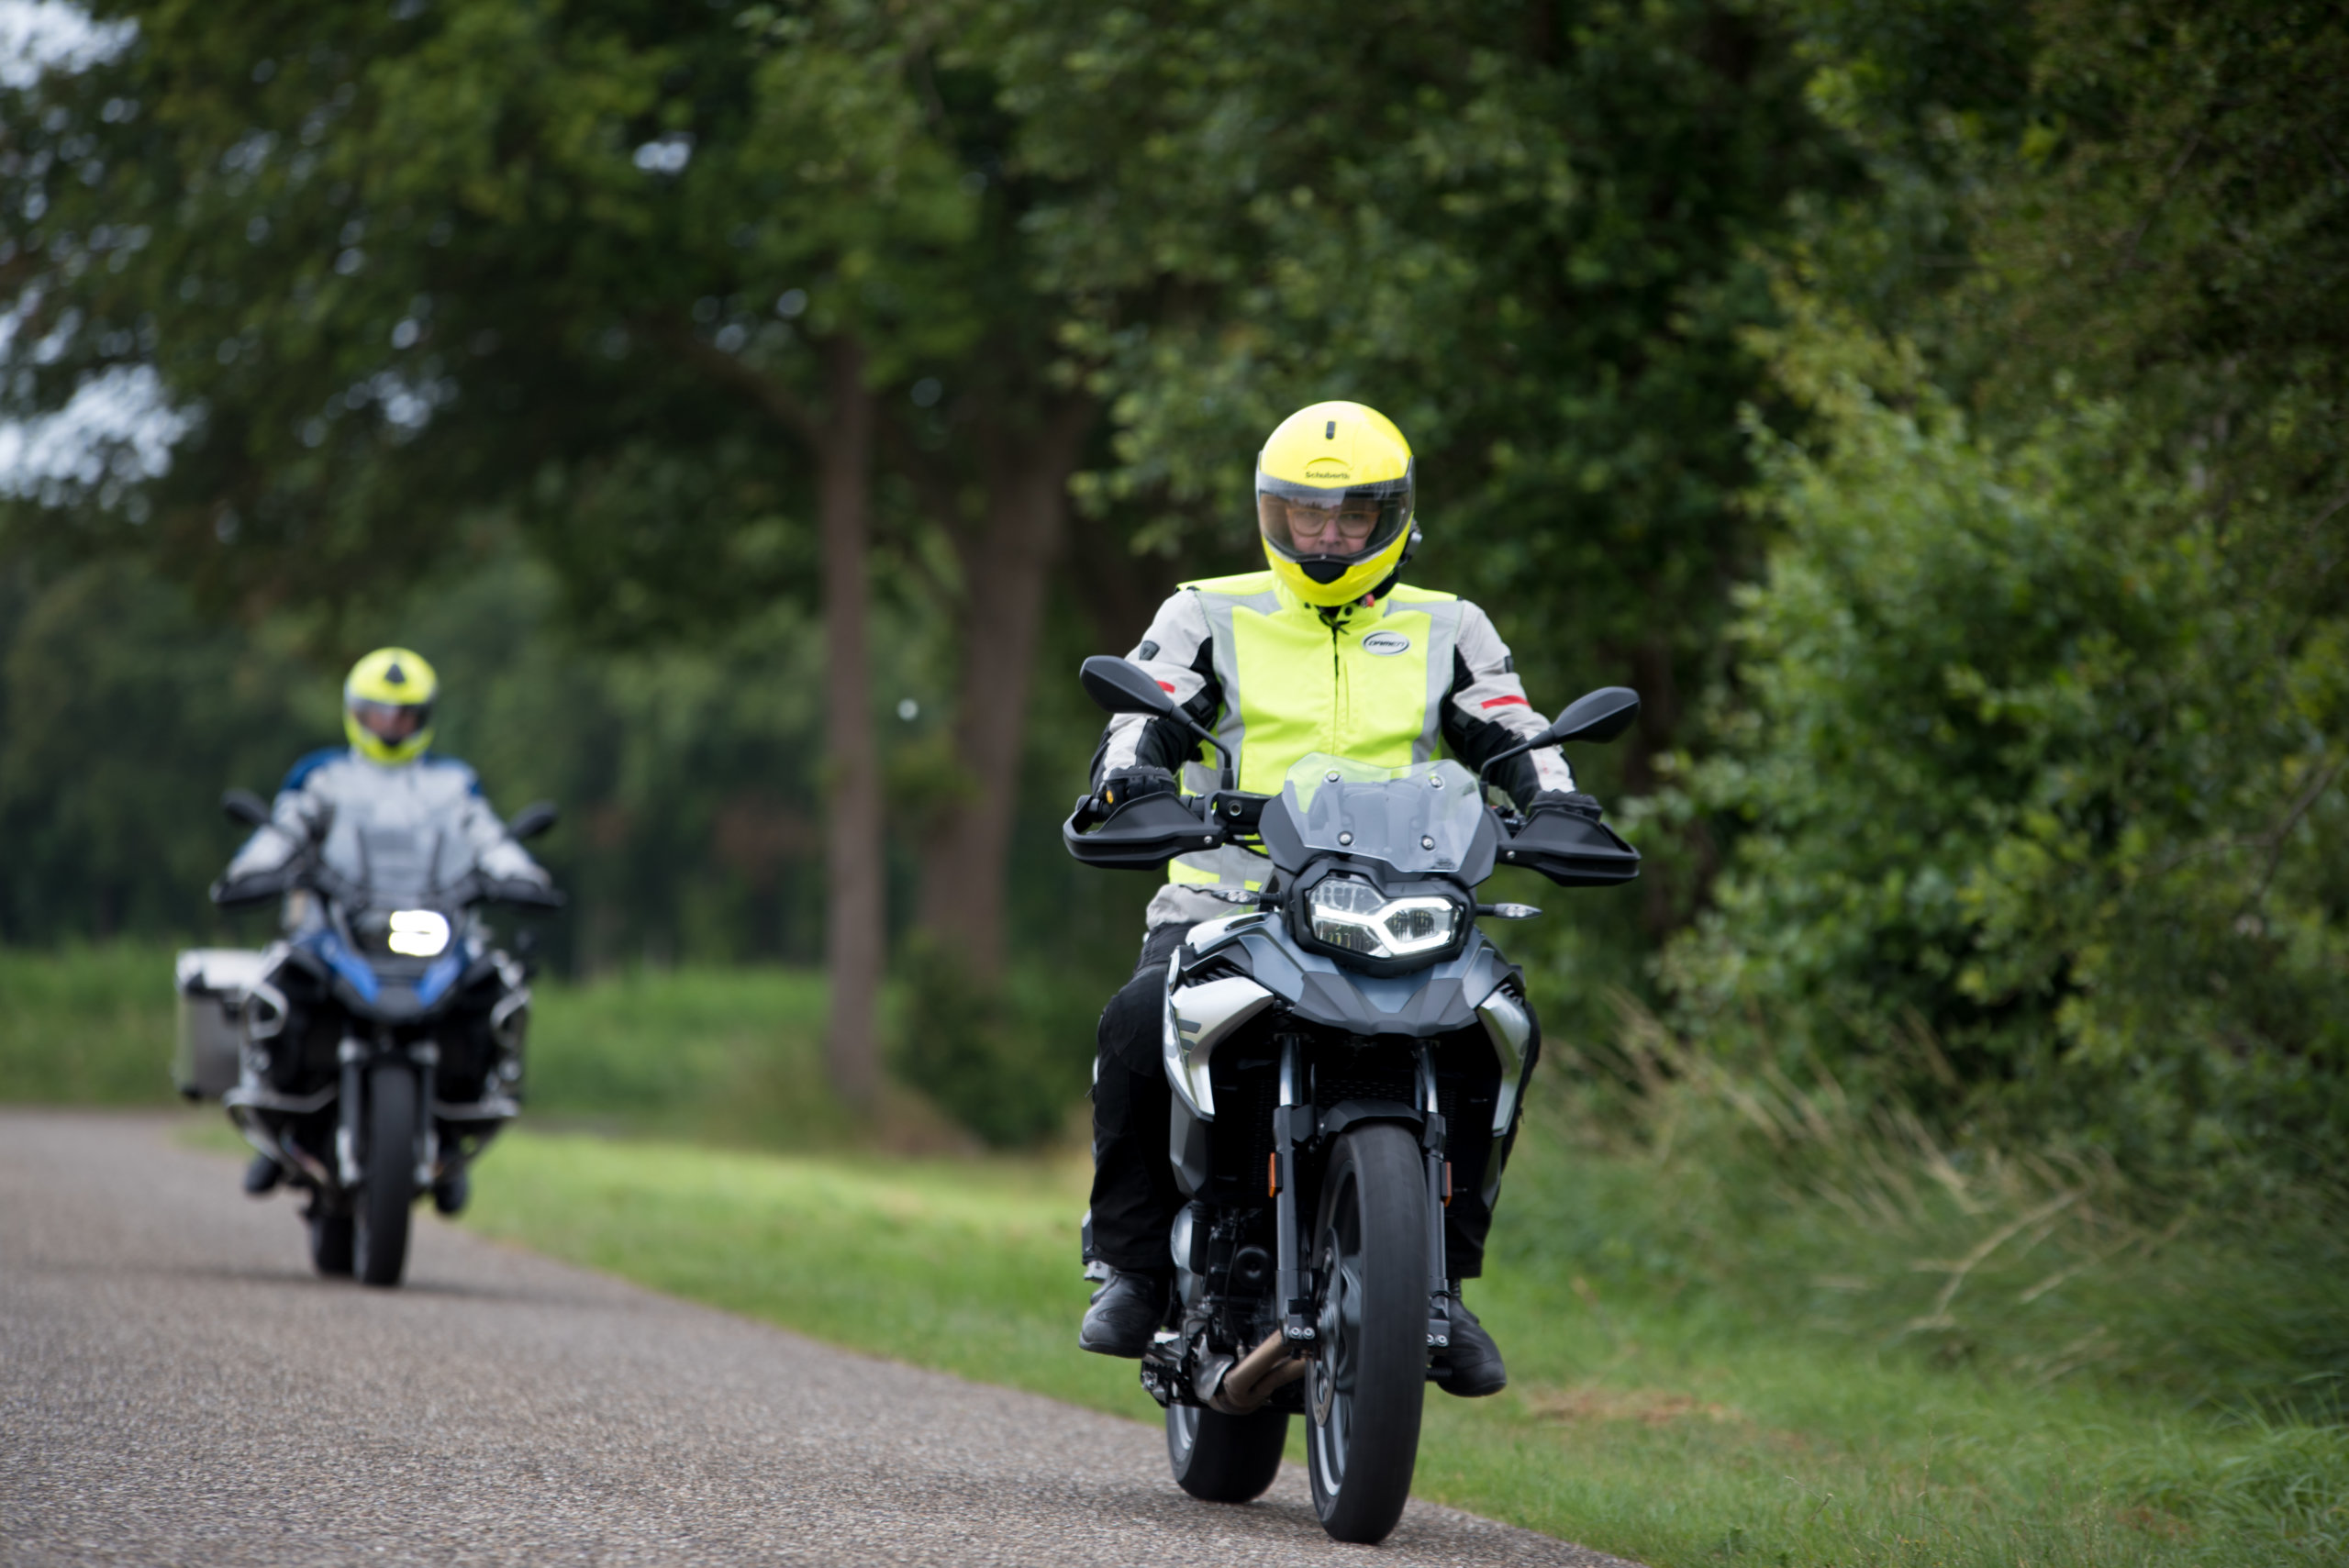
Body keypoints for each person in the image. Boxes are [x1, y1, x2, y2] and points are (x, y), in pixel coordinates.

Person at [1076, 401, 1604, 1396]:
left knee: (1501, 1026)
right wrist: (1125, 784)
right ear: (1268, 514)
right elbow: (1139, 712)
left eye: (1350, 517)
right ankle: (1134, 1266)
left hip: (1408, 900)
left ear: (1391, 517)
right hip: (1229, 900)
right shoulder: (1206, 610)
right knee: (1137, 1018)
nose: (1326, 536)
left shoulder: (1448, 624)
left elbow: (1508, 723)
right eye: (1303, 514)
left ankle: (1438, 1280)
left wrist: (1560, 804)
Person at [215, 648, 551, 1209]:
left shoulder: (453, 784)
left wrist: (525, 878)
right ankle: (279, 1129)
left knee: (489, 993)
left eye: (404, 714)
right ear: (355, 711)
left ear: (425, 716)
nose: (391, 726)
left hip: (431, 932)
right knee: (281, 990)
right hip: (338, 930)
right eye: (379, 712)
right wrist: (250, 870)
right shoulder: (324, 776)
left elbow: (491, 841)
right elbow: (283, 830)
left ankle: (446, 1134)